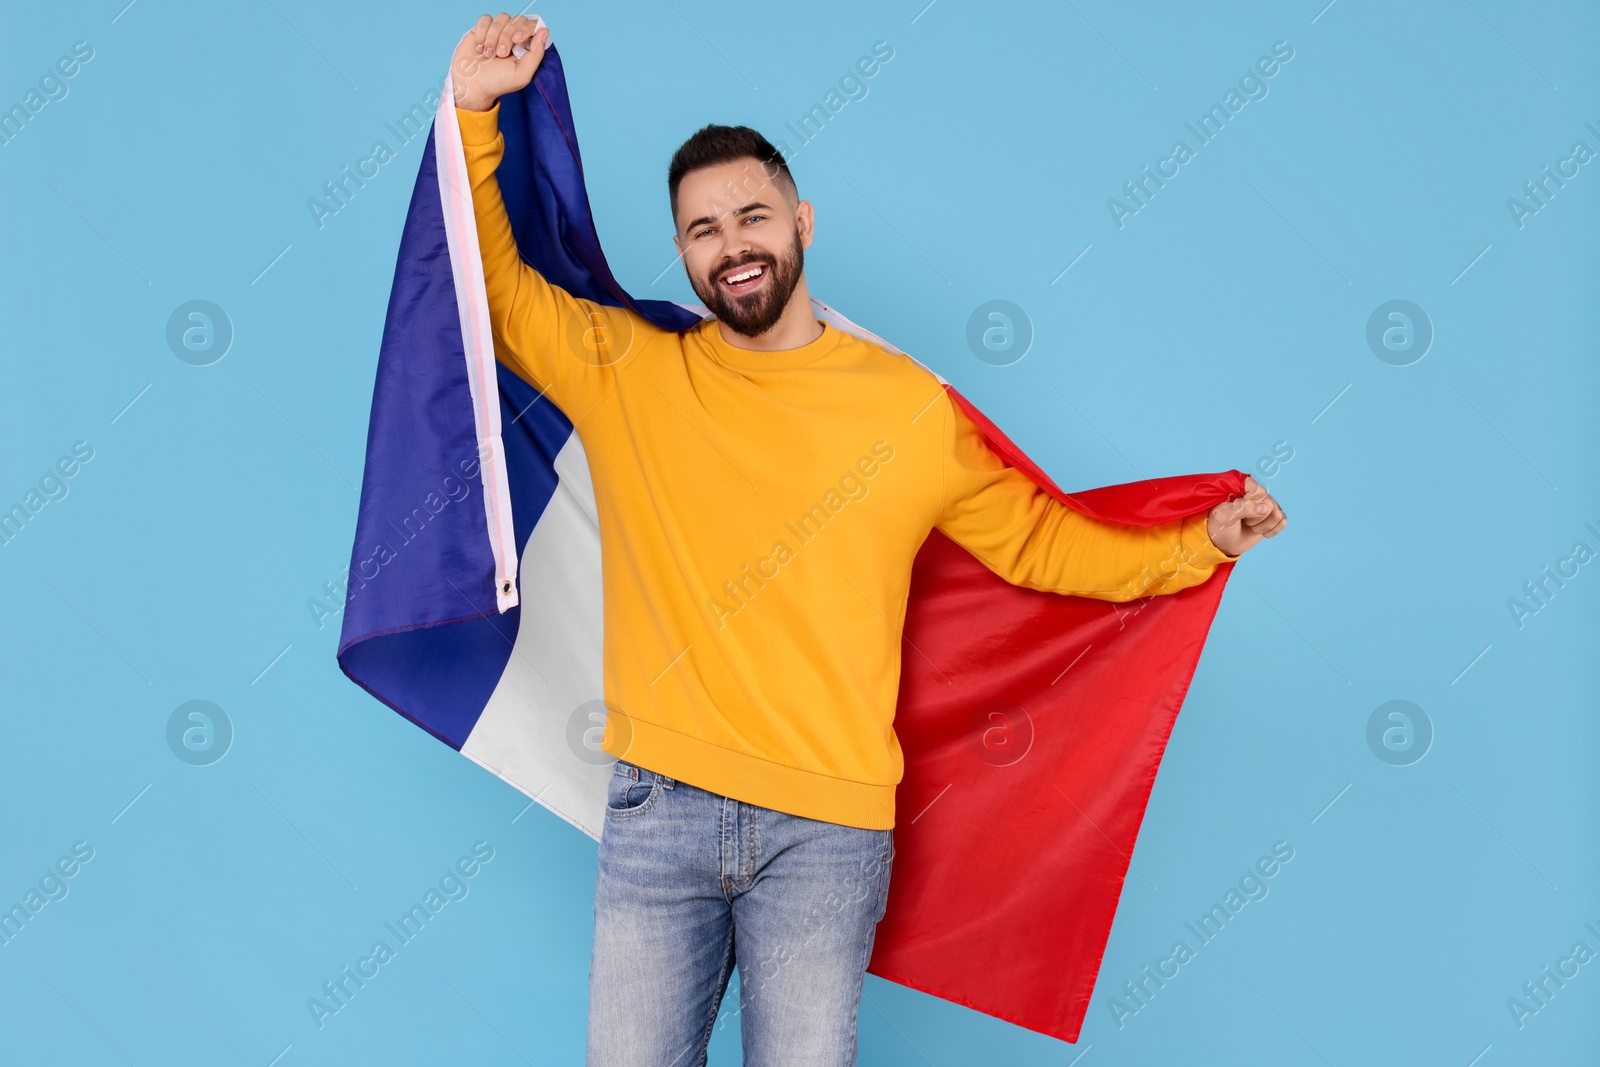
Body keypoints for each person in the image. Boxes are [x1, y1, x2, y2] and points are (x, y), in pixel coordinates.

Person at [448, 13, 1287, 1066]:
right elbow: (497, 294)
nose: (732, 245)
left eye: (751, 216)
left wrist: (1199, 541)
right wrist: (475, 112)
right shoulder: (628, 370)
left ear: (801, 220)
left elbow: (1043, 550)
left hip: (826, 833)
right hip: (657, 809)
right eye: (703, 229)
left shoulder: (904, 411)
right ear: (681, 251)